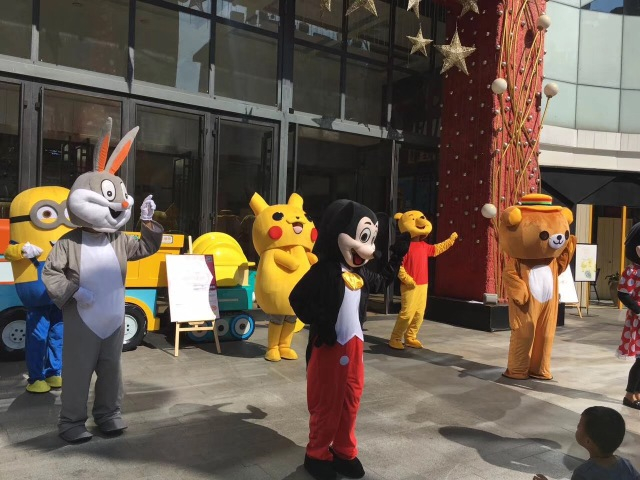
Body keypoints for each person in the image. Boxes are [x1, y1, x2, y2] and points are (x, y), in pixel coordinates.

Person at [533, 406, 640, 480]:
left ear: (588, 441)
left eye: (579, 426)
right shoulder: (626, 464)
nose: (577, 427)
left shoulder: (584, 473)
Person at [616, 222, 640, 410]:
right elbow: (623, 293)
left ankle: (637, 393)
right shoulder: (632, 271)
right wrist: (638, 310)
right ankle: (629, 395)